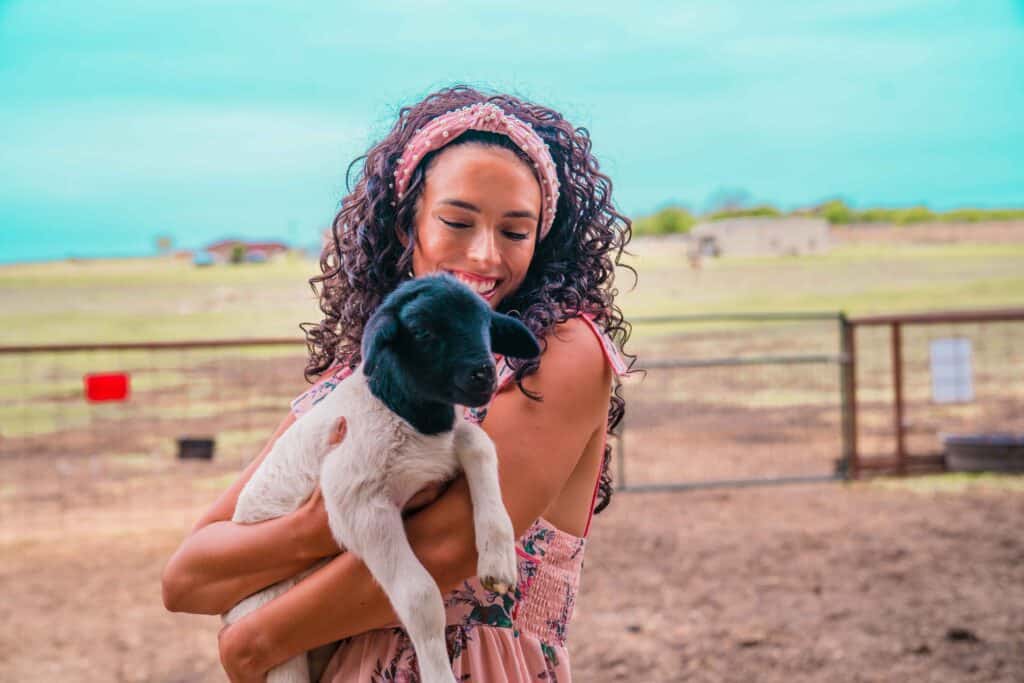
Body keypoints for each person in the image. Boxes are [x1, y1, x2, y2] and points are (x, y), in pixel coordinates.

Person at [162, 84, 635, 682]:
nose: (486, 255)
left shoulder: (558, 352)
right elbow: (188, 578)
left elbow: (446, 549)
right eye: (457, 221)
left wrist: (253, 641)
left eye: (515, 232)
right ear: (405, 219)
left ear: (543, 238)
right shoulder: (356, 376)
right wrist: (313, 526)